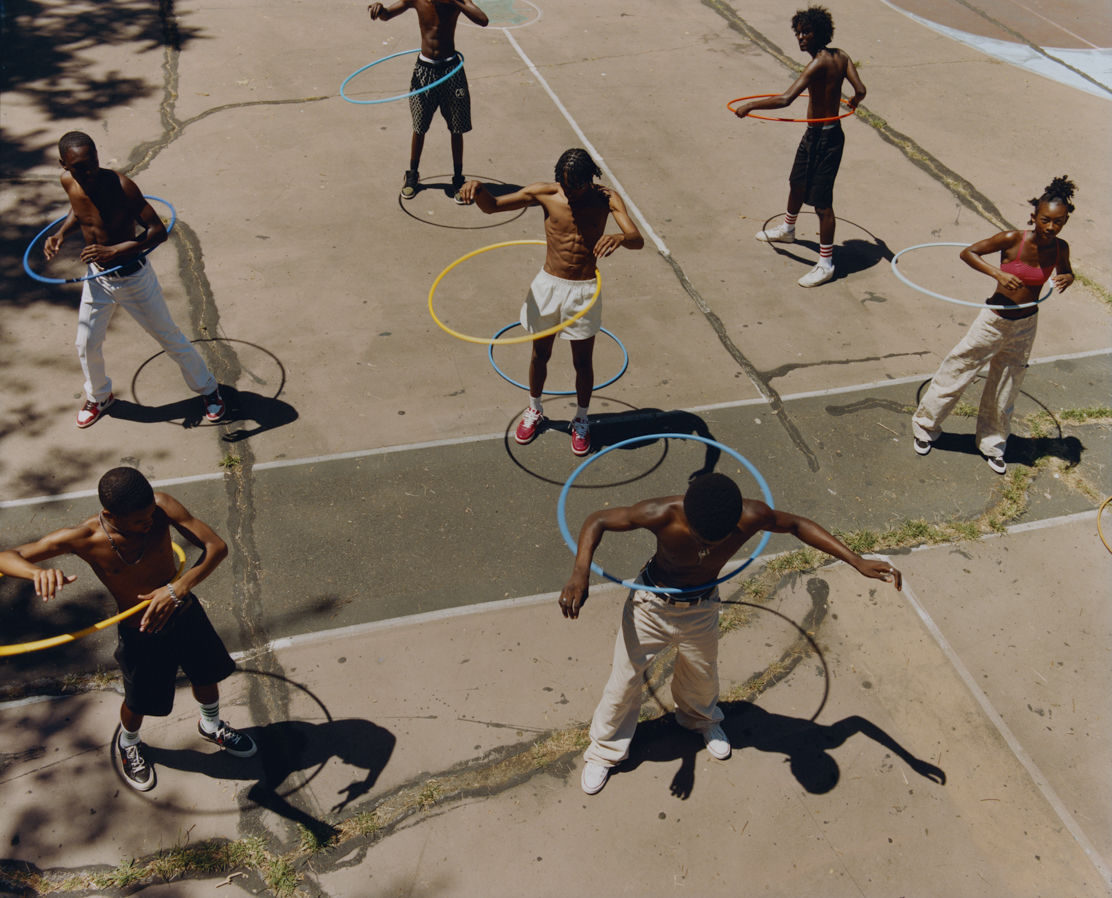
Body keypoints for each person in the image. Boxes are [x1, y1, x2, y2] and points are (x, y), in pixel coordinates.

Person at [559, 472, 901, 795]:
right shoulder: (660, 512)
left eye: (714, 541)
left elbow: (797, 524)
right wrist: (580, 573)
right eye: (699, 538)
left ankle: (698, 721)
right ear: (687, 519)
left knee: (703, 676)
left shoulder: (754, 515)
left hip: (702, 608)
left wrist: (855, 560)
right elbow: (597, 520)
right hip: (650, 606)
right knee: (624, 681)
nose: (705, 547)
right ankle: (604, 751)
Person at [0, 467, 255, 792]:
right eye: (138, 520)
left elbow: (216, 547)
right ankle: (129, 742)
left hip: (185, 614)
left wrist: (177, 588)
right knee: (140, 701)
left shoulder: (161, 507)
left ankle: (212, 724)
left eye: (150, 514)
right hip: (142, 632)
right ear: (110, 514)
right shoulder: (83, 538)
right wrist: (35, 573)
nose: (148, 522)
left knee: (207, 675)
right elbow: (7, 556)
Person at [458, 149, 644, 455]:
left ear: (590, 180)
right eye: (566, 186)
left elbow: (638, 239)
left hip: (583, 290)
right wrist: (477, 188)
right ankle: (534, 409)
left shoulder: (607, 199)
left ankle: (581, 420)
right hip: (548, 287)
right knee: (539, 355)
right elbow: (492, 207)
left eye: (577, 187)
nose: (570, 194)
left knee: (582, 361)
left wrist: (622, 238)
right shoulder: (545, 193)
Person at [46, 132, 225, 428]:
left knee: (169, 338)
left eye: (93, 162)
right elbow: (80, 211)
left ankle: (209, 389)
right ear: (64, 165)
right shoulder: (69, 182)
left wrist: (113, 249)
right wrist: (60, 233)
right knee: (86, 342)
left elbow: (158, 231)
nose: (89, 170)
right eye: (80, 166)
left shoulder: (121, 186)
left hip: (132, 277)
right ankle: (100, 396)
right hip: (97, 279)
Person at [912, 177, 1076, 474]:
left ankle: (992, 443)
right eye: (1045, 220)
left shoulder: (1061, 247)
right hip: (994, 320)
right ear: (1034, 217)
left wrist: (1069, 277)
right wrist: (997, 274)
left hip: (1026, 325)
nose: (1051, 227)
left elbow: (1065, 271)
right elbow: (968, 253)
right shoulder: (1013, 239)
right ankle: (926, 427)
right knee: (958, 370)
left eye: (1059, 222)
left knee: (1007, 385)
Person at [733, 5, 866, 288]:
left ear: (820, 32)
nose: (801, 37)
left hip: (826, 139)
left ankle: (826, 264)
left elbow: (785, 100)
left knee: (822, 204)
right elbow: (861, 90)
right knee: (796, 183)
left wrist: (750, 105)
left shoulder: (819, 63)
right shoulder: (842, 56)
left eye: (807, 32)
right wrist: (853, 102)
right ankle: (788, 229)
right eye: (799, 32)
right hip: (816, 134)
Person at [367, 0, 489, 202]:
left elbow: (483, 20)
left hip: (451, 69)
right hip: (425, 70)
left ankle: (458, 179)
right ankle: (412, 174)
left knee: (457, 127)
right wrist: (379, 9)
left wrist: (456, 2)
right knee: (420, 126)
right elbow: (388, 14)